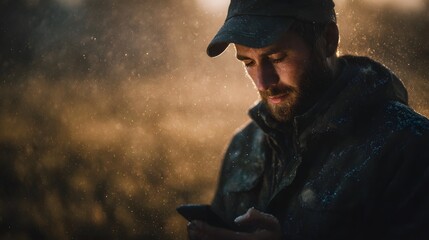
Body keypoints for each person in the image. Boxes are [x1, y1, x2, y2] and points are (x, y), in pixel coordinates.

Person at [186, 0, 429, 239]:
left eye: (277, 57)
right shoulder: (244, 145)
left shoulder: (410, 147)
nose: (262, 82)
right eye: (248, 62)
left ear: (327, 40)